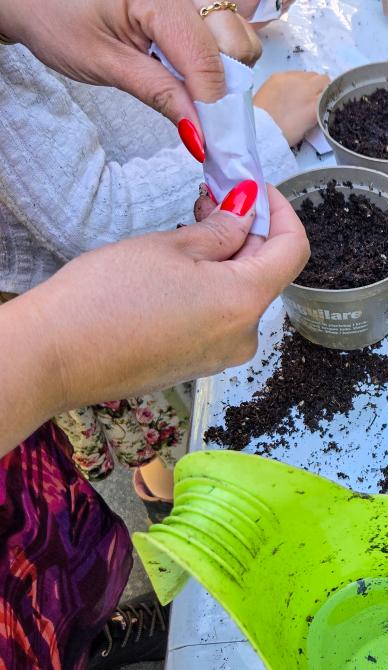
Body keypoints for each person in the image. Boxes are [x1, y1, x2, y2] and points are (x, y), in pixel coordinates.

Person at [0, 0, 310, 668]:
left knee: (59, 577)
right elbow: (84, 214)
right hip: (54, 314)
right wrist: (53, 351)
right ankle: (158, 550)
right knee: (148, 433)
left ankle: (93, 621)